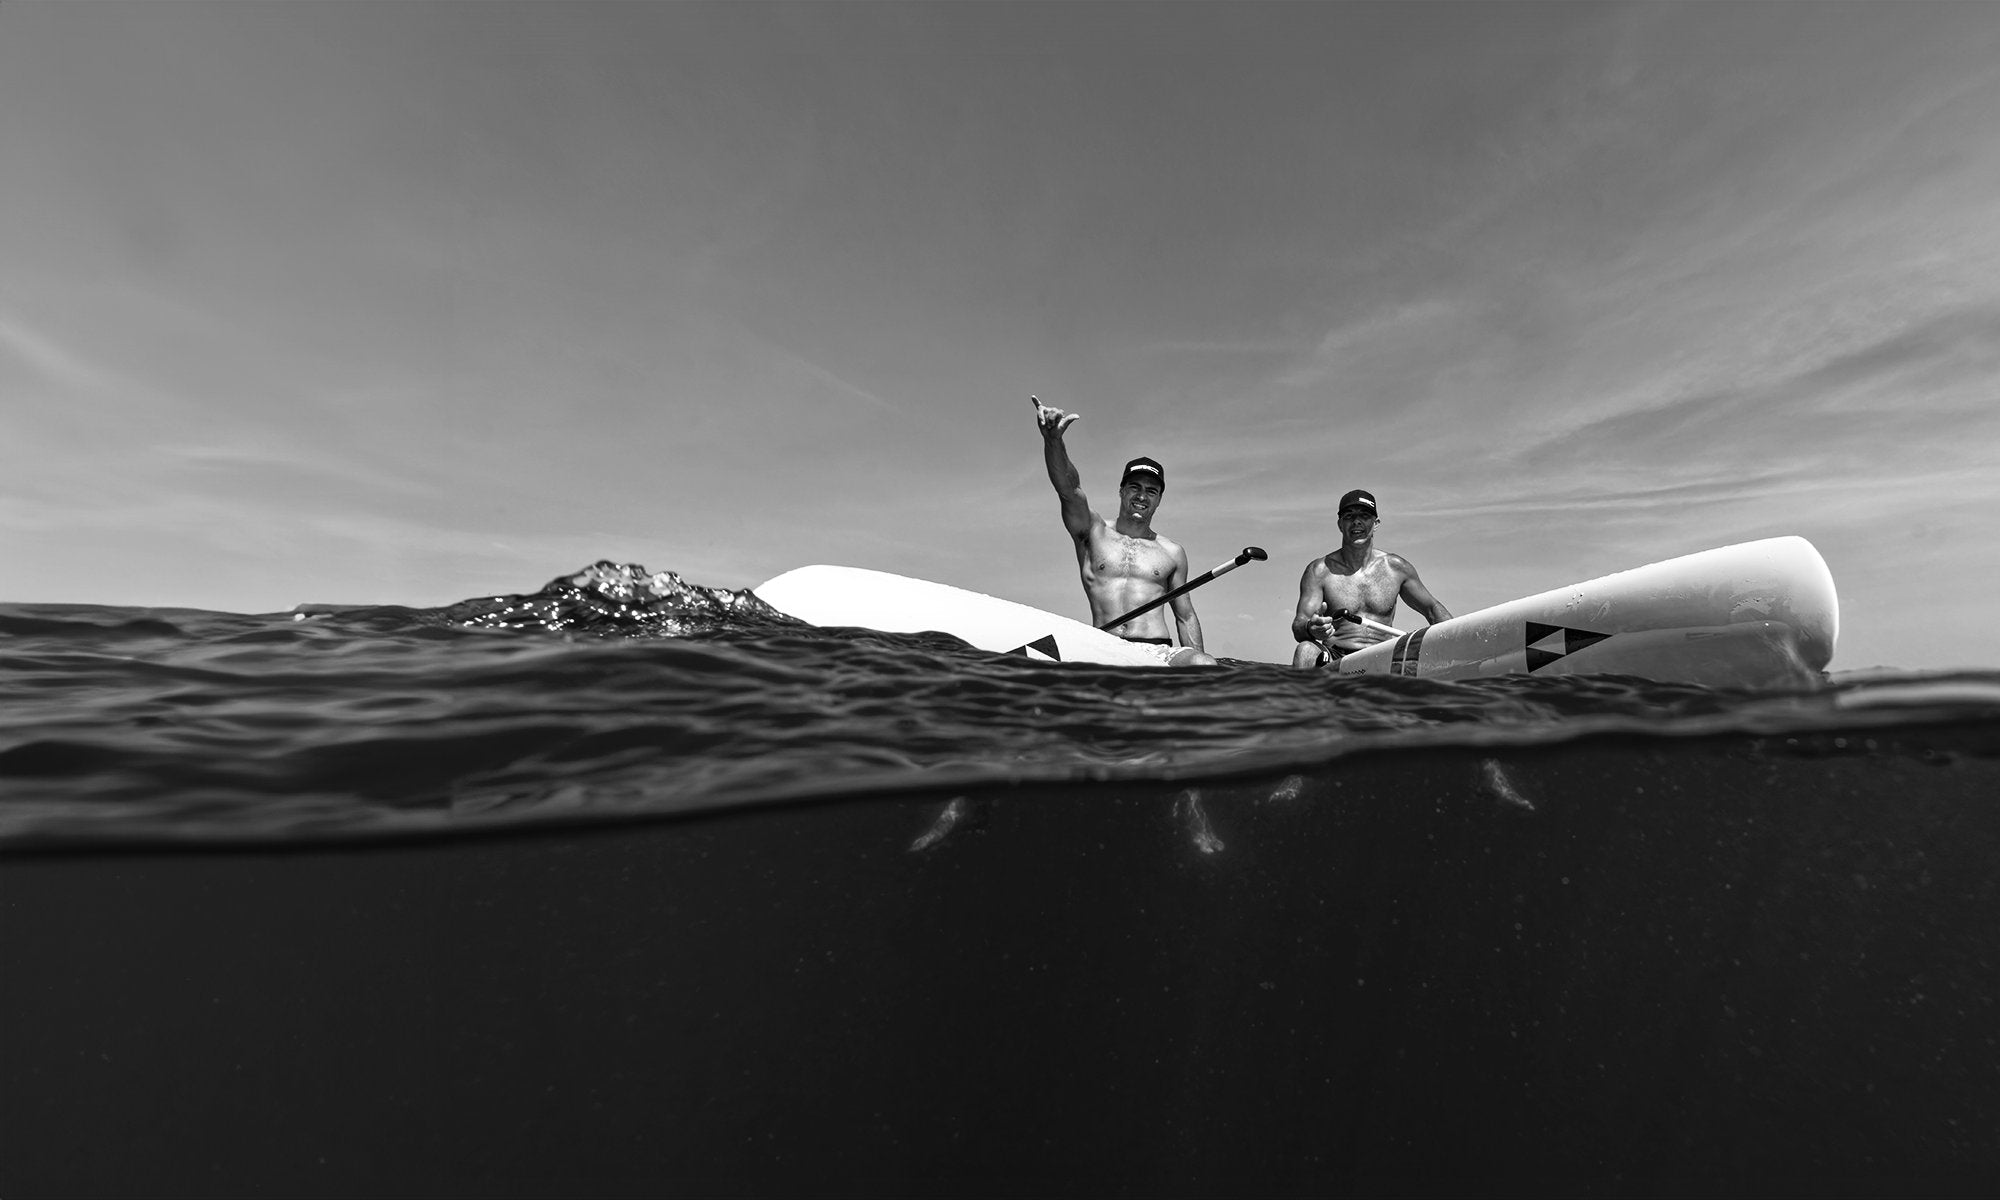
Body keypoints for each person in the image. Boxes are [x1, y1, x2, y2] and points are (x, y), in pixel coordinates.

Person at [1031, 395, 1217, 666]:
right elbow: (1069, 490)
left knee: (1204, 664)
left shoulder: (1172, 552)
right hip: (1104, 646)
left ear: (1159, 499)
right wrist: (1053, 441)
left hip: (1156, 649)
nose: (1142, 496)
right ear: (1121, 491)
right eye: (1135, 487)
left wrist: (1202, 671)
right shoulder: (1093, 531)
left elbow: (1185, 615)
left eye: (1151, 491)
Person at [1291, 488, 1452, 668]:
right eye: (1349, 516)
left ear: (1375, 523)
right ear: (1340, 524)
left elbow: (1432, 608)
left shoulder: (1396, 568)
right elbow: (1299, 625)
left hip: (1384, 655)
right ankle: (1304, 688)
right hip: (1336, 658)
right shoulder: (1319, 571)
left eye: (1364, 516)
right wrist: (1311, 628)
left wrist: (1457, 637)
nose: (1357, 521)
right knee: (1305, 650)